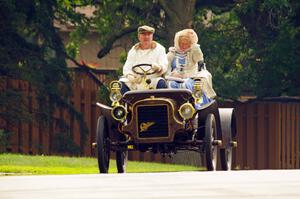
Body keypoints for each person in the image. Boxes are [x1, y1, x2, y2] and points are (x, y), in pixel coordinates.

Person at [166, 29, 216, 107]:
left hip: (191, 77)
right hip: (174, 78)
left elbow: (200, 60)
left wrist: (195, 47)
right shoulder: (172, 53)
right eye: (182, 43)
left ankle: (195, 106)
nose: (183, 46)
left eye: (186, 44)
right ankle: (173, 107)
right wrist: (171, 75)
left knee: (189, 85)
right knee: (170, 85)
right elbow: (165, 66)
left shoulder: (193, 51)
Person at [119, 25, 168, 94]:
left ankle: (159, 104)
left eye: (149, 34)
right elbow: (127, 68)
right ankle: (126, 104)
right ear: (139, 37)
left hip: (152, 80)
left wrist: (159, 68)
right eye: (143, 34)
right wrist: (131, 77)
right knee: (121, 83)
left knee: (161, 82)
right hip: (136, 81)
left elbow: (164, 65)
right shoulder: (133, 50)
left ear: (152, 36)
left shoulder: (160, 49)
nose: (146, 37)